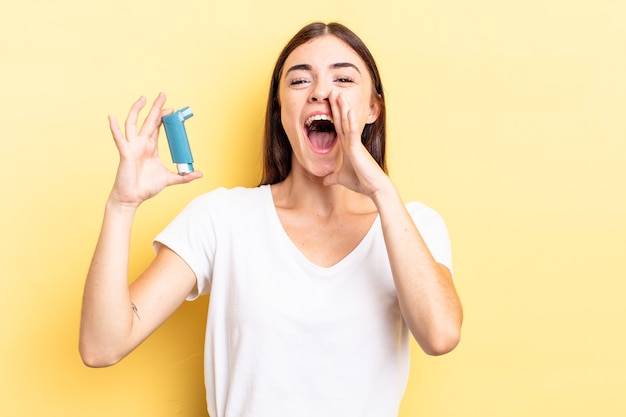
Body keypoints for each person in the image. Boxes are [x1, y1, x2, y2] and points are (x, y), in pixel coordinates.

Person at [79, 21, 463, 417]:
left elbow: (441, 334)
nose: (321, 92)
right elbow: (101, 346)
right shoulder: (223, 219)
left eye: (343, 77)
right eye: (300, 81)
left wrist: (381, 192)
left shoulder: (411, 224)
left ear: (372, 108)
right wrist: (121, 205)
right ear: (281, 111)